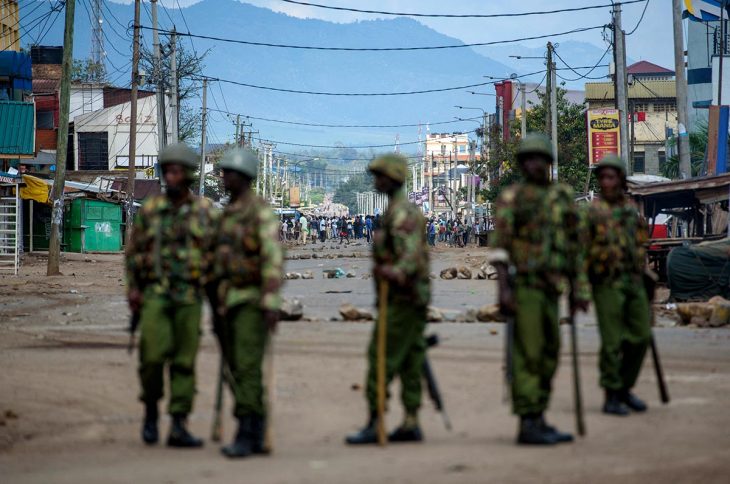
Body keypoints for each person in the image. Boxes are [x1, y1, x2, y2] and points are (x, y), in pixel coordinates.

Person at [489, 133, 590, 446]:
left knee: (549, 353)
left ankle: (540, 414)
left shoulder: (561, 197)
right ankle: (528, 419)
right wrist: (504, 291)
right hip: (526, 286)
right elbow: (500, 250)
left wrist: (578, 289)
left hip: (553, 288)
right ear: (522, 164)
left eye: (540, 158)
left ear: (549, 163)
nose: (534, 164)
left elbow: (575, 247)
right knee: (529, 354)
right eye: (528, 158)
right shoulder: (512, 198)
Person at [125, 142, 218, 448]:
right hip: (155, 294)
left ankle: (179, 422)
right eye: (168, 171)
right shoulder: (151, 210)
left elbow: (217, 255)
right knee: (151, 357)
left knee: (183, 361)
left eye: (177, 171)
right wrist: (133, 290)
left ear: (189, 175)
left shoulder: (204, 212)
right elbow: (134, 253)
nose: (172, 176)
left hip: (189, 297)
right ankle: (151, 410)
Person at [346, 154, 430, 445]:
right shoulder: (394, 210)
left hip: (402, 300)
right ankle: (410, 420)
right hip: (404, 298)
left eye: (380, 176)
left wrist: (387, 271)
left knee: (380, 356)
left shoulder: (402, 213)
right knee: (410, 359)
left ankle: (375, 420)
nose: (376, 181)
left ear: (392, 179)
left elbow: (409, 262)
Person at [210, 148, 284, 458]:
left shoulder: (259, 212)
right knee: (236, 367)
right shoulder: (228, 214)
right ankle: (254, 422)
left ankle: (248, 428)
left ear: (243, 176)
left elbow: (272, 259)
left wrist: (270, 301)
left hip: (251, 300)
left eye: (229, 173)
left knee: (248, 367)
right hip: (226, 300)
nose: (224, 177)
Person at [585, 154, 652, 416]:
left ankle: (625, 386)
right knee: (612, 341)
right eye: (602, 177)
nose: (606, 182)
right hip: (606, 282)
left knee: (640, 336)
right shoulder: (592, 212)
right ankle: (611, 392)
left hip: (632, 280)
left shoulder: (631, 211)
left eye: (611, 177)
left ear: (621, 180)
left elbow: (641, 245)